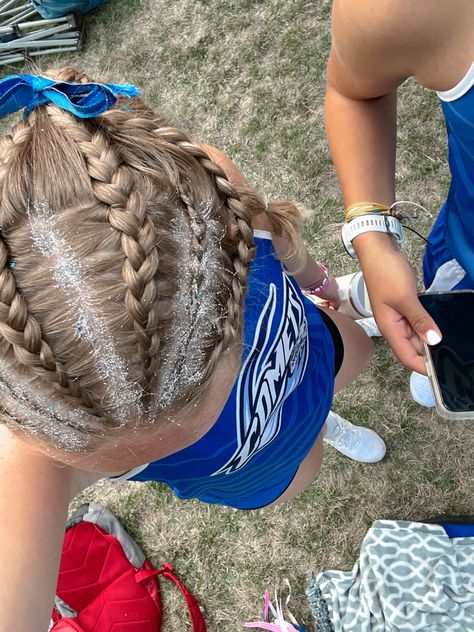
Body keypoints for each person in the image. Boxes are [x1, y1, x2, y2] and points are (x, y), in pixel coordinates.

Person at [0, 67, 385, 629]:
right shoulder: (48, 440)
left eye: (201, 410)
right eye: (136, 460)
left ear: (228, 291)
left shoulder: (211, 198)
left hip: (315, 357)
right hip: (259, 472)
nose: (200, 431)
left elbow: (279, 239)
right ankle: (322, 425)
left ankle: (320, 414)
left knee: (333, 377)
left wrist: (323, 287)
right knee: (302, 447)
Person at [325, 0, 474, 405]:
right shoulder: (410, 7)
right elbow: (356, 93)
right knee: (436, 364)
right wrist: (371, 239)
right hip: (463, 281)